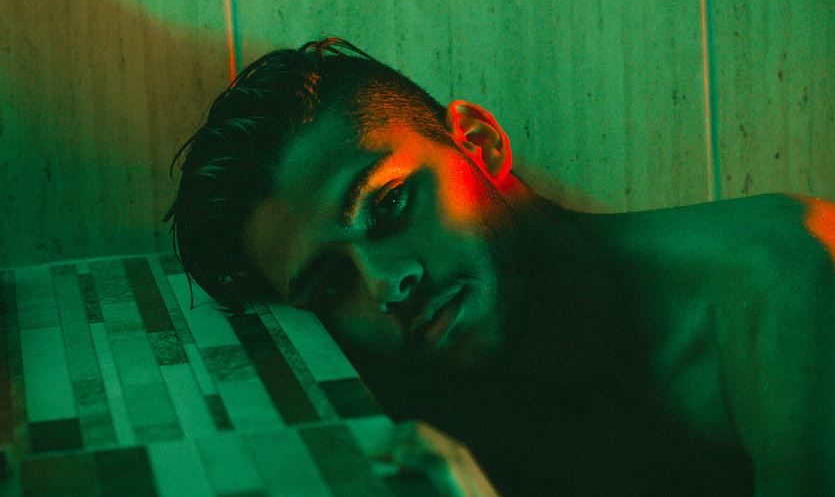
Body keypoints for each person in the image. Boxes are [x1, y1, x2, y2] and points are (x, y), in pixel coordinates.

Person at [166, 37, 835, 496]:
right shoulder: (423, 387)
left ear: (480, 144)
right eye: (332, 283)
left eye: (389, 205)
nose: (385, 284)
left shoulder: (787, 278)